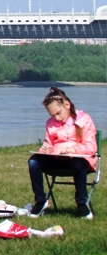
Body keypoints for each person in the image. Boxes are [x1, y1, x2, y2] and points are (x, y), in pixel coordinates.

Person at [27, 86, 98, 219]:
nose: (57, 118)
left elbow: (91, 147)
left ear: (67, 104)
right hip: (57, 159)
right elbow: (48, 143)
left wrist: (72, 150)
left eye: (58, 113)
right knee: (33, 161)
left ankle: (82, 203)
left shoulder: (84, 119)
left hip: (78, 160)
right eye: (53, 115)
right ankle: (41, 201)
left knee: (78, 162)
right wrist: (45, 150)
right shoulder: (50, 123)